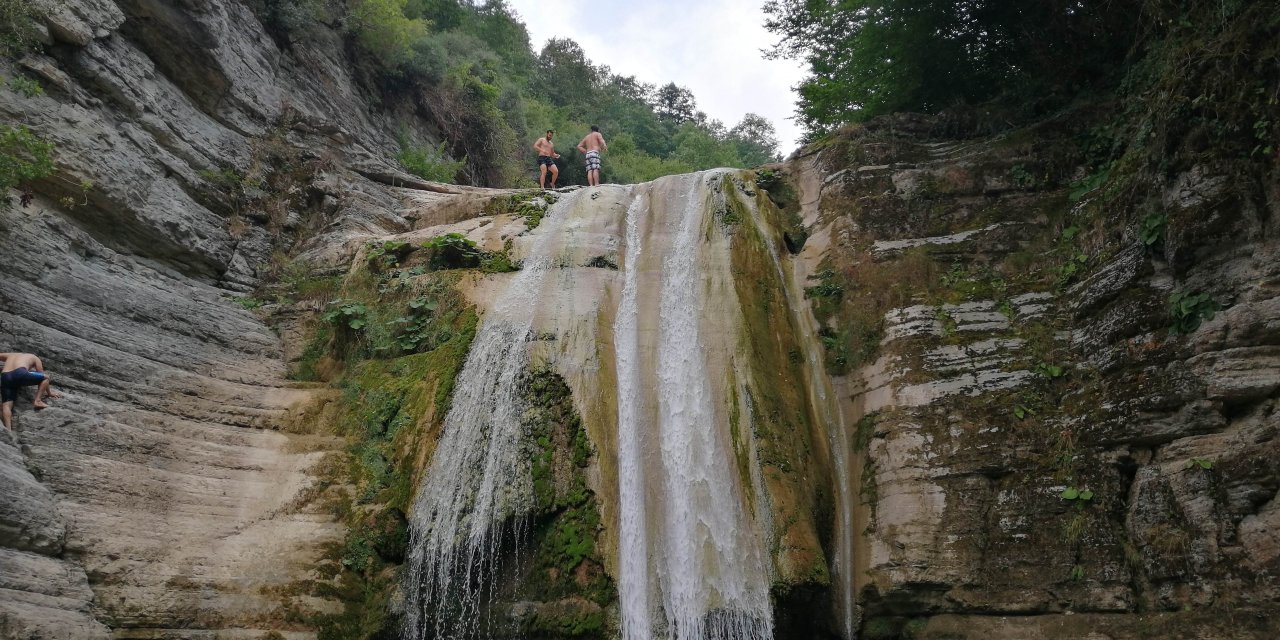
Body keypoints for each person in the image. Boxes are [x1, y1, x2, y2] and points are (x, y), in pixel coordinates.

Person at [0, 352, 61, 431]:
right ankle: (38, 401)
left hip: (5, 376)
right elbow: (41, 374)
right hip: (19, 372)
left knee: (7, 405)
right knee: (46, 377)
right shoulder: (34, 357)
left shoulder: (11, 354)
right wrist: (49, 393)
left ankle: (8, 430)